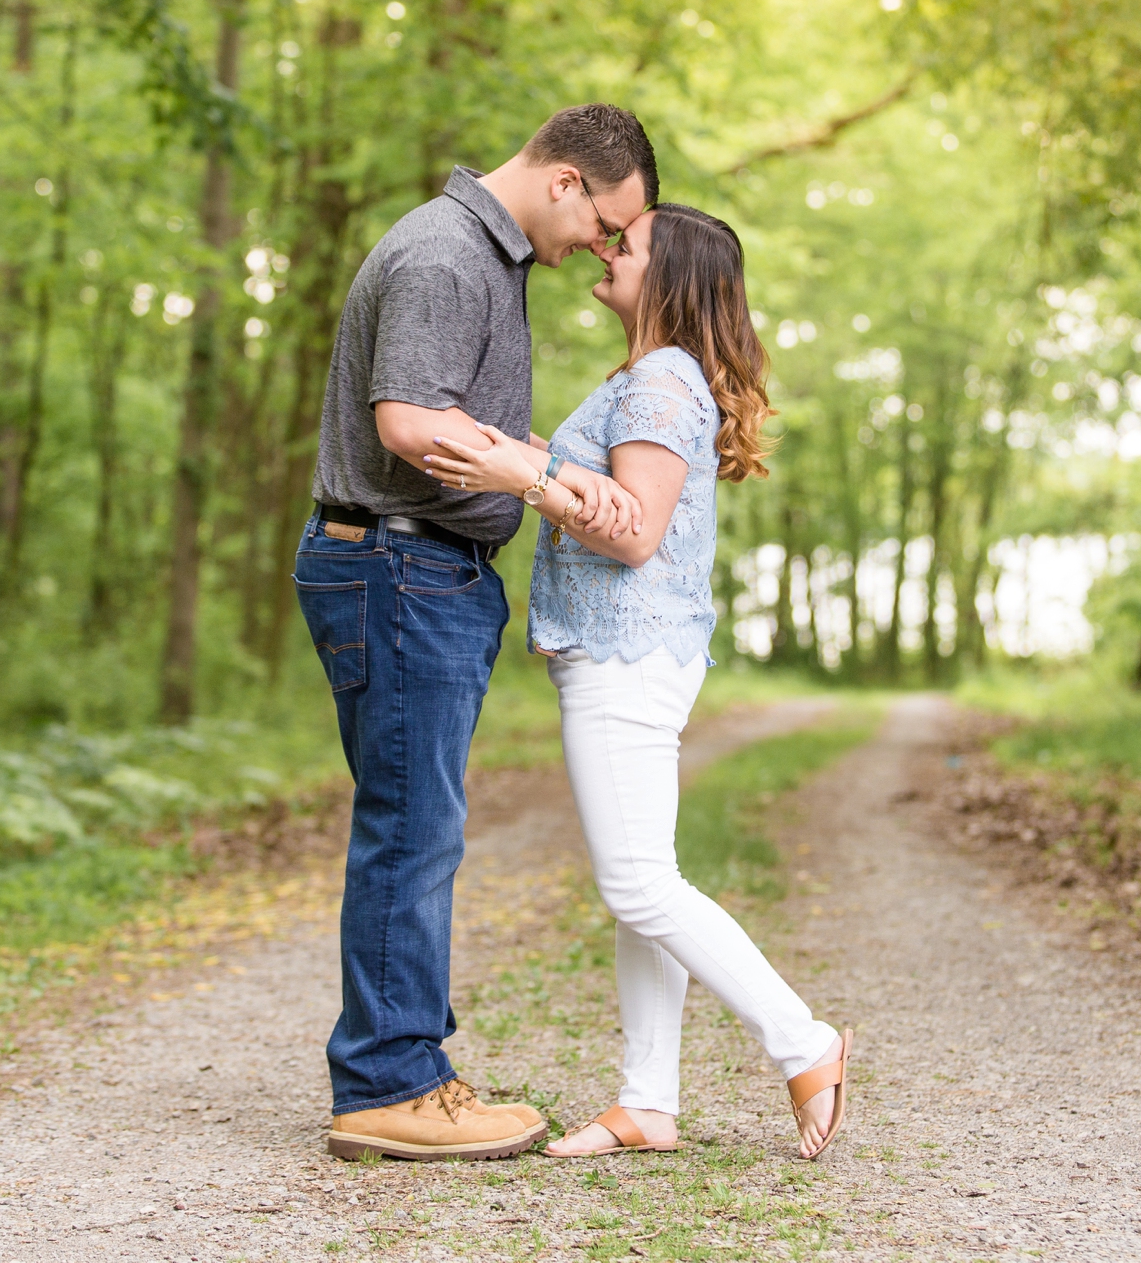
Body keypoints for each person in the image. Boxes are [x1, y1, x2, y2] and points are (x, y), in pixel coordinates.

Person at [417, 203, 852, 1161]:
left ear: (672, 282)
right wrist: (527, 457)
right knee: (646, 876)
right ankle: (648, 1102)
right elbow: (610, 496)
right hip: (633, 652)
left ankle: (803, 1040)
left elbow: (634, 532)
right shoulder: (660, 377)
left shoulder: (660, 381)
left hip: (625, 651)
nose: (609, 250)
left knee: (639, 883)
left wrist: (517, 474)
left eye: (631, 244)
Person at [298, 104, 657, 1163]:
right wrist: (547, 481)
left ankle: (402, 1068)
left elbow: (460, 418)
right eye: (604, 225)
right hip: (398, 566)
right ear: (564, 182)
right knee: (412, 826)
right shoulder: (448, 254)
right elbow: (408, 420)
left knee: (418, 821)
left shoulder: (480, 259)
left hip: (421, 569)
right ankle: (388, 1084)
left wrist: (548, 461)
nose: (599, 249)